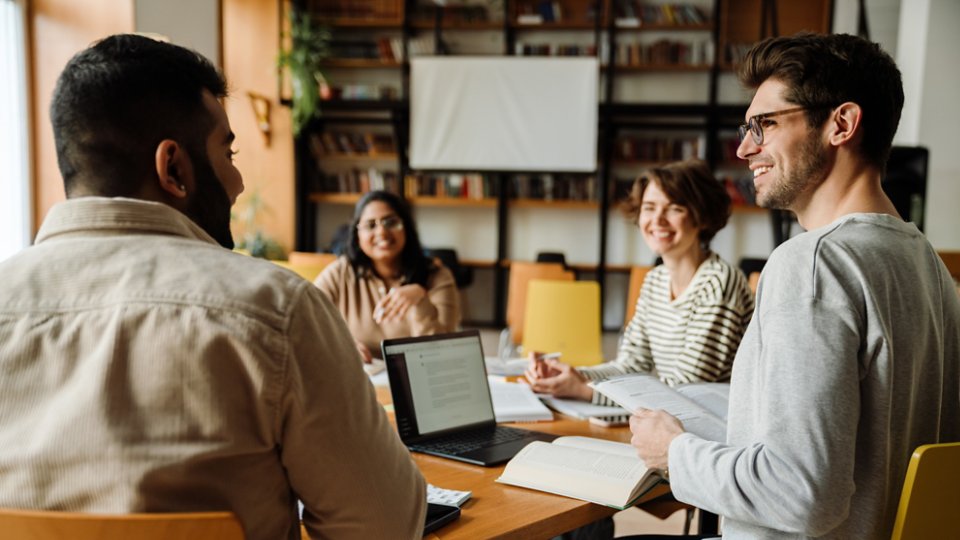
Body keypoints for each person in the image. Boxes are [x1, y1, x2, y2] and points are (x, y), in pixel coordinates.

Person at [0, 35, 425, 540]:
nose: (239, 180)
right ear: (174, 168)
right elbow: (385, 527)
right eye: (228, 150)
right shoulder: (276, 310)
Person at [628, 33, 960, 539]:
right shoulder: (929, 265)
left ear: (840, 124)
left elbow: (800, 494)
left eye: (764, 125)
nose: (744, 148)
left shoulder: (812, 263)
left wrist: (673, 453)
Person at [525, 159, 754, 405]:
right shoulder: (655, 280)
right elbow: (632, 365)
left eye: (675, 208)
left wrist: (585, 391)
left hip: (717, 430)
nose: (658, 220)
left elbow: (684, 392)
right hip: (681, 424)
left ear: (703, 217)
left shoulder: (720, 283)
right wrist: (574, 375)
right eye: (649, 207)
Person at [314, 190, 461, 362]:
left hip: (418, 379)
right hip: (361, 380)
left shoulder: (438, 276)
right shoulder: (340, 272)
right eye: (370, 225)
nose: (382, 232)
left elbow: (442, 354)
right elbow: (306, 319)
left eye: (391, 222)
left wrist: (420, 300)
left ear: (406, 227)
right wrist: (340, 344)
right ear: (357, 235)